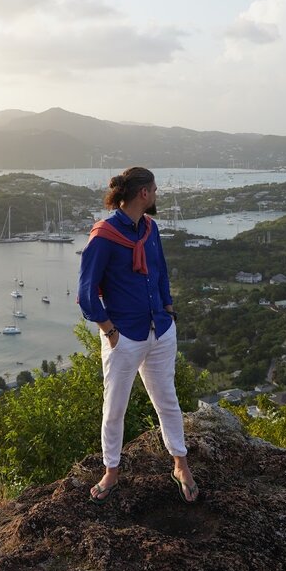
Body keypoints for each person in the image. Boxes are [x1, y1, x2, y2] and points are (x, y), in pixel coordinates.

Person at [77, 166, 199, 504]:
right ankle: (111, 472)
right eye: (155, 189)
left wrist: (169, 311)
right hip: (124, 336)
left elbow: (159, 272)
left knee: (168, 401)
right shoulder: (103, 235)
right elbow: (87, 293)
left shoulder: (150, 229)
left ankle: (180, 463)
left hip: (159, 329)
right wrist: (110, 332)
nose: (157, 194)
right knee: (115, 407)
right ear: (143, 193)